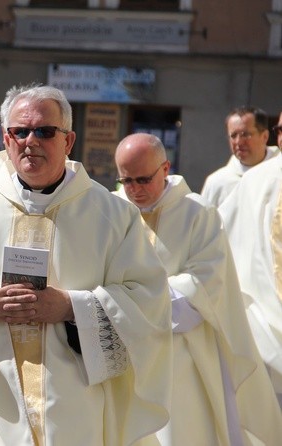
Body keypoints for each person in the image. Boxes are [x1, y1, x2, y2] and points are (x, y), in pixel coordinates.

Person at [0, 84, 173, 445]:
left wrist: (71, 307)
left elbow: (148, 300)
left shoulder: (112, 215)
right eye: (20, 131)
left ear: (68, 141)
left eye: (45, 131)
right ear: (6, 139)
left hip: (75, 405)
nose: (30, 140)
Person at [114, 133, 282, 445]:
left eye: (142, 179)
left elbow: (204, 287)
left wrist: (132, 303)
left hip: (183, 355)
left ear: (165, 169)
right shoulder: (114, 213)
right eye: (126, 181)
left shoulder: (198, 214)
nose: (134, 190)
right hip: (127, 354)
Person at [219, 111, 282, 407]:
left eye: (246, 134)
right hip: (263, 327)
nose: (239, 142)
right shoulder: (251, 182)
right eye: (281, 128)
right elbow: (215, 243)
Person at [201, 106, 278, 207]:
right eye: (233, 135)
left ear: (265, 136)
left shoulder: (278, 172)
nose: (238, 142)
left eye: (245, 134)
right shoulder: (217, 182)